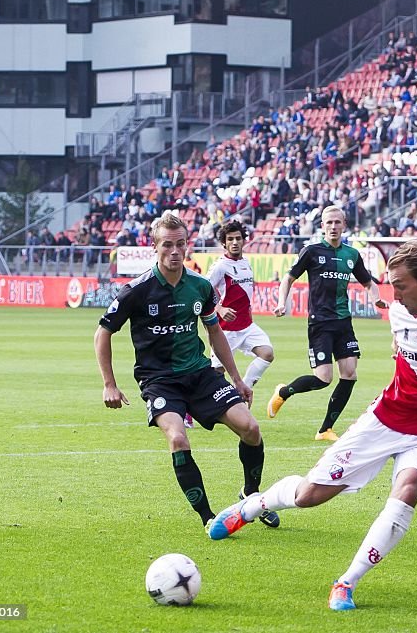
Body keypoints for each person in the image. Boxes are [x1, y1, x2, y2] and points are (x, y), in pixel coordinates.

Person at [206, 240, 417, 612]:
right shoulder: (400, 313)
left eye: (401, 285)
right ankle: (253, 505)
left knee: (407, 490)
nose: (394, 294)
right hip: (383, 421)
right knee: (309, 495)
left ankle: (346, 582)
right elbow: (402, 342)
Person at [94, 212, 279, 532]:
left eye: (181, 244)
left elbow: (215, 332)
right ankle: (210, 519)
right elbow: (103, 333)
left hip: (200, 374)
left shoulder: (200, 287)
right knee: (178, 438)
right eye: (168, 245)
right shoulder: (136, 290)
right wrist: (109, 384)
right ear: (154, 246)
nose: (175, 251)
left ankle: (249, 495)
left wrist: (237, 379)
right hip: (159, 381)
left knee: (250, 428)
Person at [268, 206, 387, 440]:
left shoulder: (351, 255)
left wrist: (376, 298)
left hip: (343, 322)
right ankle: (283, 392)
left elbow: (368, 282)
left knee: (350, 373)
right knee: (323, 378)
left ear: (344, 225)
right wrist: (282, 302)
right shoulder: (311, 252)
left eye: (337, 222)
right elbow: (288, 278)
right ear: (322, 226)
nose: (333, 227)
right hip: (320, 323)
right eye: (329, 222)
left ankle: (325, 429)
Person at [207, 220, 275, 395]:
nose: (235, 242)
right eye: (230, 239)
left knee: (267, 353)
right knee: (215, 375)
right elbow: (203, 291)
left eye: (238, 238)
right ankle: (189, 412)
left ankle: (244, 389)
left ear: (244, 240)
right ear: (224, 243)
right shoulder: (220, 266)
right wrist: (220, 309)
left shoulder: (246, 263)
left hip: (247, 326)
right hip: (226, 330)